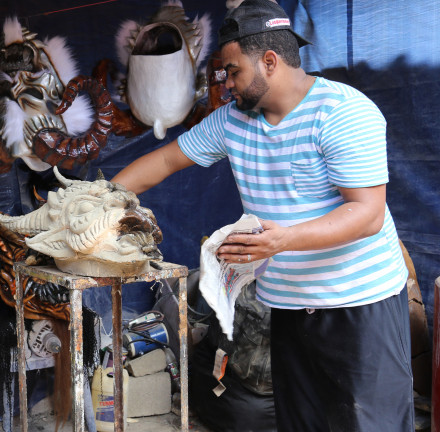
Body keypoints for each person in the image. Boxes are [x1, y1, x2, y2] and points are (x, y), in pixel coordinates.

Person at [111, 0, 413, 430]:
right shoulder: (232, 120)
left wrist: (282, 240)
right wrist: (99, 199)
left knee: (367, 423)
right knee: (300, 423)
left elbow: (367, 215)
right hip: (288, 307)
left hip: (359, 306)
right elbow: (163, 161)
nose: (226, 84)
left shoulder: (342, 112)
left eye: (233, 71)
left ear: (270, 62)